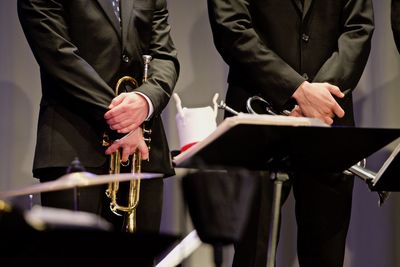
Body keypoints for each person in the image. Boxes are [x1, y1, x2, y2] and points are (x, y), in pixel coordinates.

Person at [207, 0, 374, 266]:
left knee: (326, 253)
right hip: (257, 118)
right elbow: (231, 27)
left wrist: (318, 96)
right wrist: (297, 90)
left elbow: (358, 27)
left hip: (329, 119)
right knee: (254, 253)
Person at [17, 0, 179, 237]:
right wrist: (123, 120)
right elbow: (59, 55)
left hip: (142, 151)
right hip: (74, 145)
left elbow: (164, 56)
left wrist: (145, 101)